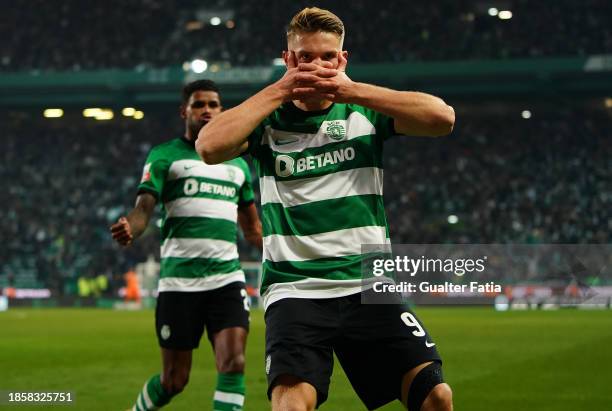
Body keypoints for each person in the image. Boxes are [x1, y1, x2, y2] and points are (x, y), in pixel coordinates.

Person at [196, 7, 455, 411]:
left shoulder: (364, 112)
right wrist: (280, 90)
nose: (315, 66)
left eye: (327, 57)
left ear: (342, 60)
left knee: (437, 397)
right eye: (304, 58)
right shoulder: (267, 123)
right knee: (290, 407)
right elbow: (208, 147)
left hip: (370, 287)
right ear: (288, 60)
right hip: (296, 289)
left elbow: (442, 118)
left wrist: (352, 91)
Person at [111, 79, 262, 411]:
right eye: (198, 104)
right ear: (185, 111)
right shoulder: (165, 156)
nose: (206, 110)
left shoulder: (238, 166)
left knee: (234, 362)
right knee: (174, 381)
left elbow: (252, 230)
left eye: (213, 104)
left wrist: (288, 246)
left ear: (222, 111)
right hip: (179, 284)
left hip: (226, 279)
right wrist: (130, 228)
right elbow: (143, 210)